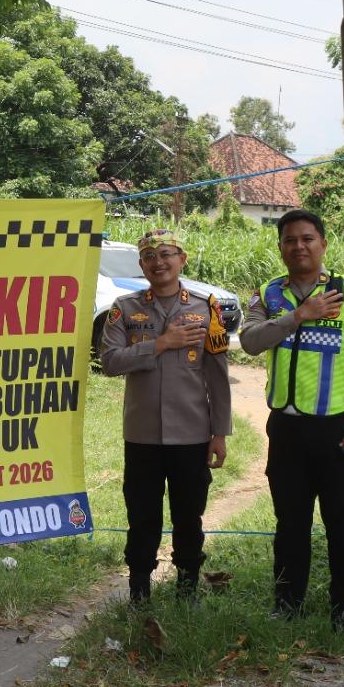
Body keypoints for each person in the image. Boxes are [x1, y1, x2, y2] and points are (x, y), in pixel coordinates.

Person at [240, 209, 344, 632]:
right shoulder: (270, 294)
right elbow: (249, 341)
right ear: (281, 246)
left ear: (322, 243)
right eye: (289, 240)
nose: (298, 246)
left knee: (343, 522)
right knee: (290, 522)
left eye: (307, 238)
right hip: (285, 430)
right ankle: (287, 602)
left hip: (337, 428)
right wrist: (299, 315)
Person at [98, 229, 232, 608]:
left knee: (189, 515)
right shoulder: (123, 308)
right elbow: (109, 362)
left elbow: (218, 376)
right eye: (150, 256)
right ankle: (139, 590)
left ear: (182, 259)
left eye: (167, 254)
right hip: (142, 434)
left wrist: (219, 433)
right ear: (141, 265)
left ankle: (188, 587)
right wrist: (160, 343)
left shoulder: (206, 308)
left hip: (192, 434)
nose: (159, 262)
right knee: (142, 515)